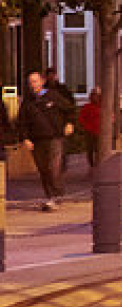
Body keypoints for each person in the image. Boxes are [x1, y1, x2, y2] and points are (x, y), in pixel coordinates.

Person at [15, 71, 72, 210]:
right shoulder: (27, 102)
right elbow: (21, 122)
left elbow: (69, 109)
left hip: (54, 138)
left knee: (54, 168)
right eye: (30, 82)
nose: (33, 85)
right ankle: (50, 196)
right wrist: (25, 138)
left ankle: (56, 196)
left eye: (35, 81)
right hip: (37, 140)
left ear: (42, 82)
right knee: (43, 169)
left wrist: (69, 123)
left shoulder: (53, 96)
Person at [79, 87, 102, 168]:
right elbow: (82, 118)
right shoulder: (87, 107)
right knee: (90, 149)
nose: (95, 98)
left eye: (97, 96)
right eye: (93, 95)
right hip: (90, 131)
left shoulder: (103, 107)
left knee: (99, 149)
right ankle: (91, 164)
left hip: (100, 132)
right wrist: (86, 127)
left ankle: (99, 163)